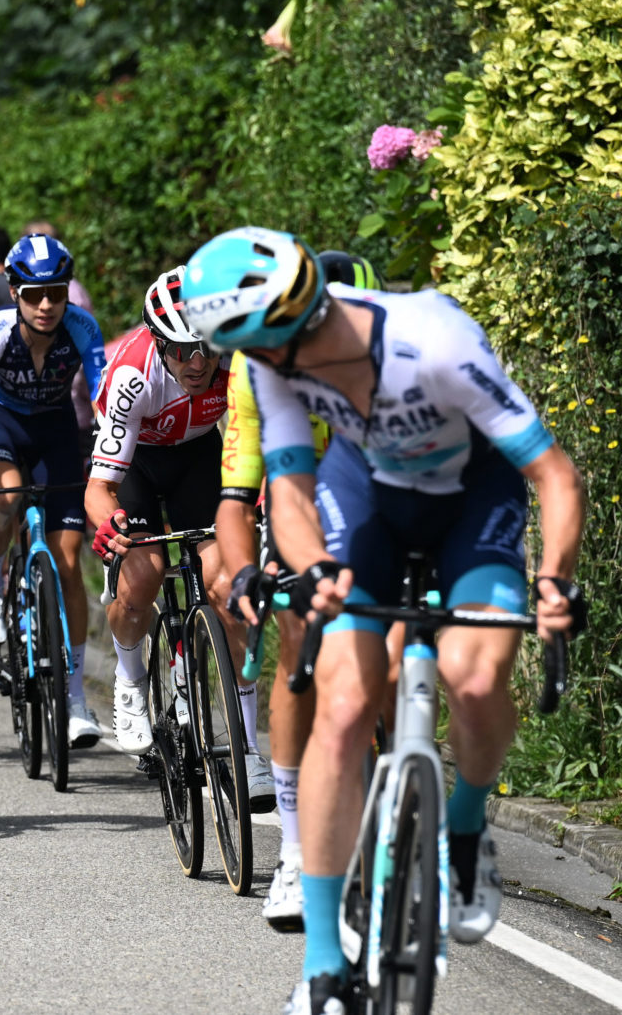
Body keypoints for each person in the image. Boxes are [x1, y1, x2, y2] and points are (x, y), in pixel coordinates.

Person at [180, 226, 587, 1015]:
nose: (251, 365)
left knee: (476, 679)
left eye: (257, 349)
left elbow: (554, 474)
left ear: (295, 325)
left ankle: (463, 831)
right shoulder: (270, 364)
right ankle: (323, 968)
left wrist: (554, 582)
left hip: (472, 498)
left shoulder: (435, 340)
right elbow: (290, 491)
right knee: (340, 706)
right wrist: (316, 569)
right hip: (367, 493)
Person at [215, 250, 381, 932]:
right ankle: (294, 848)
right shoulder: (257, 366)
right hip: (296, 487)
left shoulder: (393, 355)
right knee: (296, 647)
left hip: (376, 480)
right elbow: (238, 497)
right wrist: (243, 572)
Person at [85, 265, 268, 814]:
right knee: (142, 576)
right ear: (159, 344)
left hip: (197, 456)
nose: (197, 364)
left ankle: (248, 749)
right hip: (137, 462)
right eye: (183, 351)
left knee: (229, 590)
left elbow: (265, 440)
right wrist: (111, 527)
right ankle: (130, 679)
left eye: (206, 348)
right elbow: (100, 489)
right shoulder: (133, 376)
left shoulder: (237, 361)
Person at [0, 233, 106, 742]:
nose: (46, 305)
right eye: (34, 294)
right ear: (15, 292)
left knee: (68, 563)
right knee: (7, 495)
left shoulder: (82, 328)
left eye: (56, 293)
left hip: (55, 430)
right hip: (1, 424)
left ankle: (75, 698)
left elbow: (106, 404)